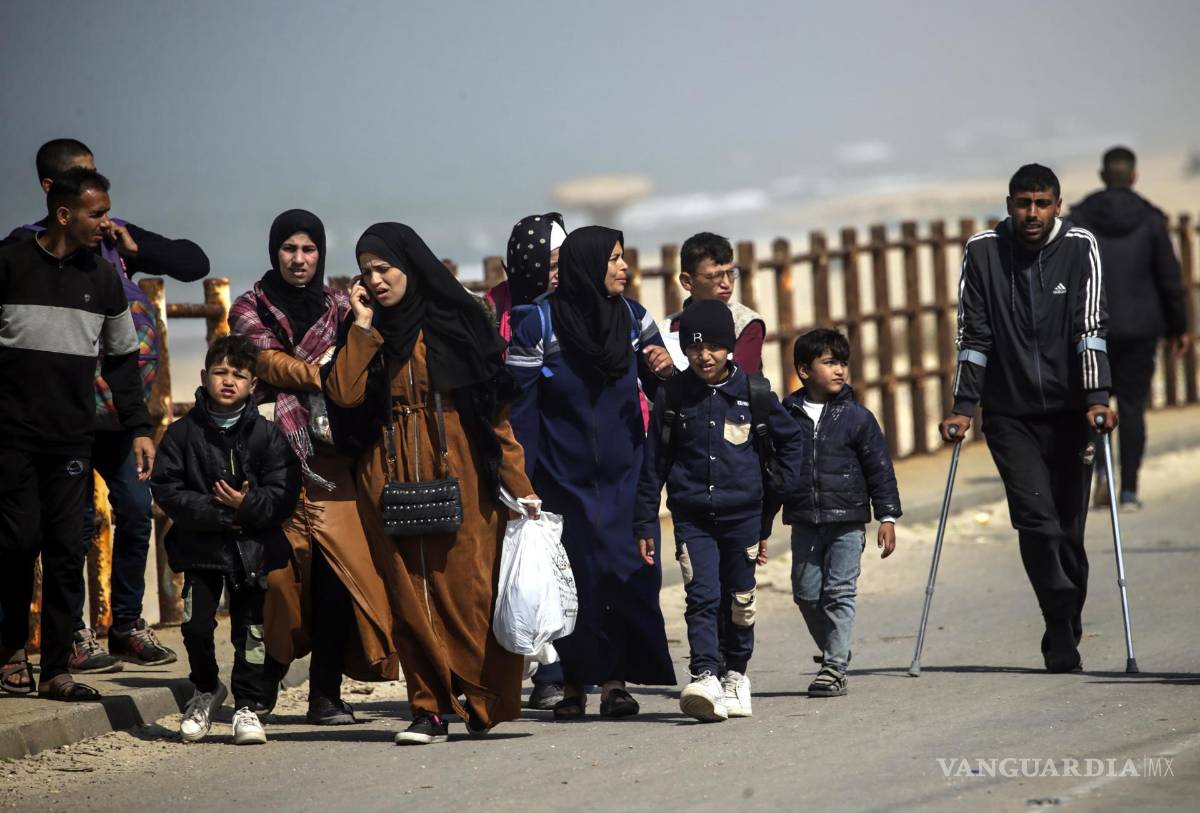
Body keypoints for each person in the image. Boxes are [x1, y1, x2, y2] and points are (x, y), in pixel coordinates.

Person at [324, 222, 539, 745]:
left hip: (460, 468)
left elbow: (495, 416)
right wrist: (362, 326)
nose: (375, 280)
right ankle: (427, 708)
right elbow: (346, 396)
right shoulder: (365, 332)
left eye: (384, 268)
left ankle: (480, 695)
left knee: (467, 588)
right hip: (388, 473)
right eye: (366, 272)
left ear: (410, 265)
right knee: (406, 592)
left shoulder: (456, 321)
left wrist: (520, 483)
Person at [3, 138, 209, 673]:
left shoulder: (112, 250)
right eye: (85, 180)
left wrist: (136, 249)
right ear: (56, 194)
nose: (102, 201)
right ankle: (61, 638)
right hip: (48, 421)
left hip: (116, 418)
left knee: (136, 511)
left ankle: (125, 625)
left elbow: (194, 261)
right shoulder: (21, 252)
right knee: (51, 532)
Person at [942, 163, 1116, 673]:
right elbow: (972, 334)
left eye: (1042, 203)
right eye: (1023, 203)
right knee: (1034, 520)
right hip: (1010, 414)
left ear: (1058, 205)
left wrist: (1098, 395)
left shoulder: (1080, 246)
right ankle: (1056, 610)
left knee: (1069, 529)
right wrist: (962, 407)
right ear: (1010, 204)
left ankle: (1064, 627)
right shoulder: (983, 251)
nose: (1032, 213)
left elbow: (1091, 326)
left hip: (1072, 413)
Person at [230, 209, 398, 725]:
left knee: (337, 581)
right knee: (274, 580)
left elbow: (364, 364)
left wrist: (341, 366)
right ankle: (261, 689)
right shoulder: (248, 307)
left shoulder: (342, 306)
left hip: (332, 463)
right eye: (289, 249)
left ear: (321, 253)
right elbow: (264, 362)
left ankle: (325, 693)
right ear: (274, 251)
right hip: (271, 461)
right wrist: (327, 374)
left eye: (308, 249)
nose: (299, 259)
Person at [507, 225, 678, 719]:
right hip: (561, 480)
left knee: (627, 577)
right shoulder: (538, 322)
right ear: (590, 265)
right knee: (573, 581)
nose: (624, 268)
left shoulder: (632, 318)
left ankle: (616, 683)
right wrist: (525, 483)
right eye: (615, 259)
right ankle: (573, 687)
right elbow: (521, 409)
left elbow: (661, 384)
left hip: (626, 476)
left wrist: (662, 367)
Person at [0, 168, 154, 700]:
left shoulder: (104, 279)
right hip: (11, 436)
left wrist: (138, 427)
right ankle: (11, 650)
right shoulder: (9, 263)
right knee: (17, 542)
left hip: (71, 437)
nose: (105, 223)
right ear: (64, 214)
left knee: (69, 545)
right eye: (97, 213)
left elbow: (122, 360)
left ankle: (57, 669)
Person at [635, 300, 802, 722]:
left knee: (740, 600)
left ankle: (735, 676)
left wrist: (774, 492)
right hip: (692, 519)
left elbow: (791, 442)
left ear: (728, 346)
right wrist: (644, 522)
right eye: (694, 348)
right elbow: (654, 462)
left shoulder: (754, 393)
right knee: (701, 597)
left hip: (743, 518)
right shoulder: (673, 397)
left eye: (712, 346)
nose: (703, 356)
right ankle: (705, 674)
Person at [149, 335, 300, 745]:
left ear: (253, 385)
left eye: (239, 375)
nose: (228, 381)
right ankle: (206, 689)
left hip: (253, 551)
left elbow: (284, 489)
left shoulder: (266, 434)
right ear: (204, 376)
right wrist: (221, 512)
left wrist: (247, 506)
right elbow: (166, 488)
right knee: (196, 626)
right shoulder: (182, 433)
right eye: (220, 372)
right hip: (201, 550)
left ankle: (248, 706)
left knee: (250, 632)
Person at [769, 328, 901, 697]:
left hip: (847, 521)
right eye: (829, 362)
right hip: (805, 521)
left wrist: (887, 516)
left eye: (843, 362)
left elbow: (880, 469)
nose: (839, 370)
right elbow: (776, 472)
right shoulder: (786, 415)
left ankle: (834, 666)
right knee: (806, 593)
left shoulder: (857, 417)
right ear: (804, 370)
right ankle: (835, 648)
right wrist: (762, 524)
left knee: (839, 592)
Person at [1069, 146, 1191, 510]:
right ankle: (1129, 491)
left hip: (1091, 328)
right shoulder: (1151, 220)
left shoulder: (1080, 218)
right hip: (1140, 328)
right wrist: (1179, 328)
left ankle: (1100, 474)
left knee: (1093, 403)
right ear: (1133, 176)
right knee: (1134, 407)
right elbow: (1170, 279)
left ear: (1103, 175)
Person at [484, 212, 569, 709]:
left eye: (562, 262)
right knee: (512, 556)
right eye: (548, 262)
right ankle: (531, 665)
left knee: (551, 552)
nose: (555, 272)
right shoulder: (493, 306)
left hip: (555, 445)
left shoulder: (572, 307)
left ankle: (553, 666)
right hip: (504, 443)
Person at [659, 232, 766, 374]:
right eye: (715, 275)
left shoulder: (745, 323)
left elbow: (741, 381)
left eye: (731, 273)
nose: (727, 284)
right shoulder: (667, 329)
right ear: (687, 281)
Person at [486, 212, 567, 341]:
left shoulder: (574, 303)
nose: (560, 273)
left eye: (564, 264)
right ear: (528, 266)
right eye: (551, 267)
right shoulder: (493, 307)